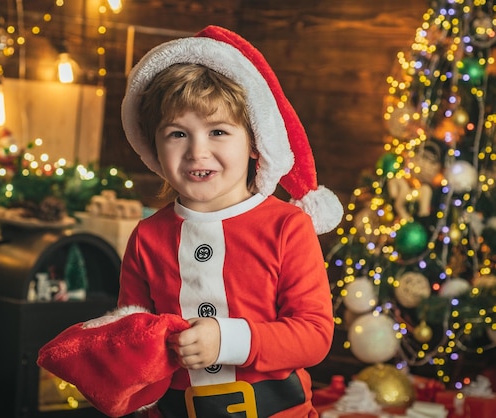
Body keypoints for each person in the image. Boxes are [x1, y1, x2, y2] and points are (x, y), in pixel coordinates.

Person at [117, 25, 344, 417]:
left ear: (254, 141)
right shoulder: (147, 236)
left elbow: (314, 335)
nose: (196, 152)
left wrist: (228, 339)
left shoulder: (287, 227)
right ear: (153, 146)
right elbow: (132, 333)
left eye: (218, 131)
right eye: (177, 134)